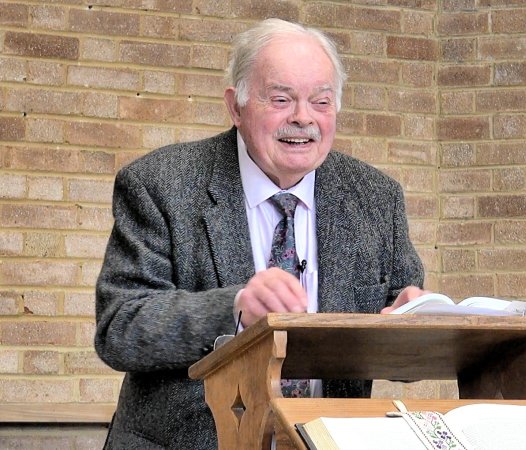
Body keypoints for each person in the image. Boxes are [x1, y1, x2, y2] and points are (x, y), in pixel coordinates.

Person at [95, 18, 426, 449]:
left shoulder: (377, 198)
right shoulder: (159, 184)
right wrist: (234, 310)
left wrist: (409, 328)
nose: (303, 118)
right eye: (281, 99)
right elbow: (120, 329)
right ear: (236, 107)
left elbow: (402, 340)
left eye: (321, 102)